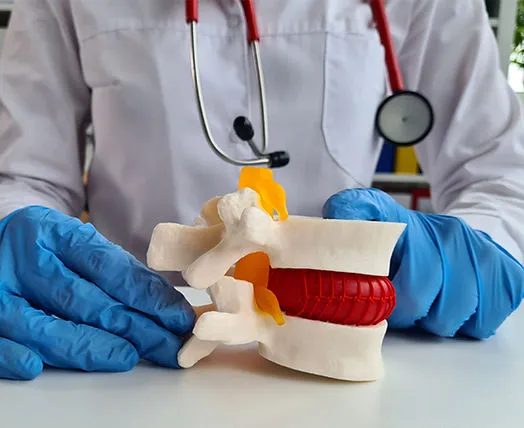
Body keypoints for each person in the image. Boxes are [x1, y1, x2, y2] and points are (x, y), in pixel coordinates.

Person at [0, 0, 523, 381]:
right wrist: (11, 231)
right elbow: (23, 173)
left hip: (350, 331)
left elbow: (499, 174)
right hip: (125, 340)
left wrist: (475, 248)